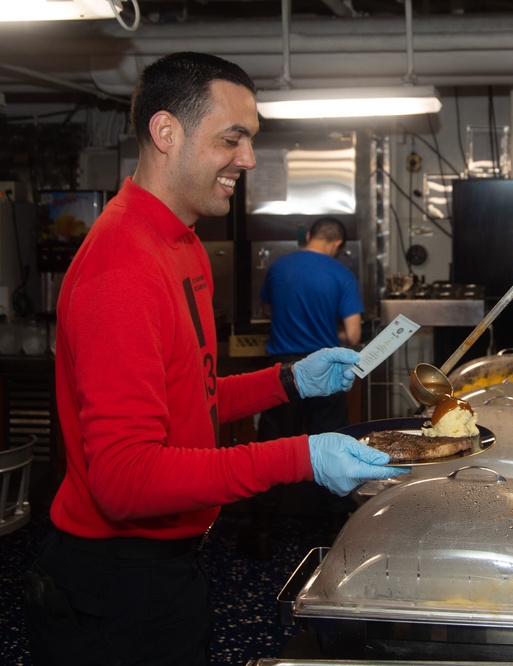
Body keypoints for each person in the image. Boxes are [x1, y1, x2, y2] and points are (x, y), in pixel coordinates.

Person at [23, 52, 406, 666]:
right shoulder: (123, 266)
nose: (248, 160)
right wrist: (298, 455)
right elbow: (124, 481)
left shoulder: (184, 244)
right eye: (234, 139)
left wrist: (286, 382)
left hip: (173, 565)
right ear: (166, 132)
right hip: (112, 589)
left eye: (251, 140)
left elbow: (192, 399)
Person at [259, 216, 364, 438]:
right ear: (337, 243)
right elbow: (353, 335)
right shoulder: (341, 274)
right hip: (324, 368)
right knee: (328, 441)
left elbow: (267, 310)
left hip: (282, 368)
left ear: (308, 236)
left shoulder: (278, 266)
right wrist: (334, 330)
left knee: (277, 443)